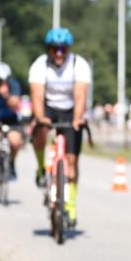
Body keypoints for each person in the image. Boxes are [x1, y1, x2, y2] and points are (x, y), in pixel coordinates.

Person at [29, 28, 91, 227]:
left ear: (68, 49)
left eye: (62, 49)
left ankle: (71, 205)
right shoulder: (39, 65)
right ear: (49, 49)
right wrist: (40, 118)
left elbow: (80, 95)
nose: (58, 53)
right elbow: (37, 96)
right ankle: (41, 168)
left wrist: (77, 118)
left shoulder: (79, 64)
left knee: (72, 160)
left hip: (70, 109)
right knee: (39, 130)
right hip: (48, 107)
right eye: (54, 49)